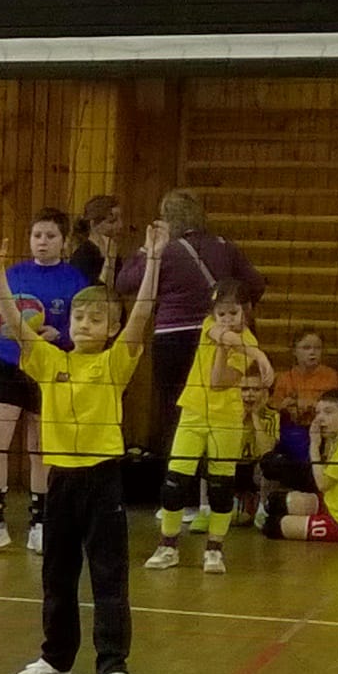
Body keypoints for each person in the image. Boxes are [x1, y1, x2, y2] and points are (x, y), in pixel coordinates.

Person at [0, 250, 161, 674]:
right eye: (79, 317)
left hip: (102, 479)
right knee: (57, 575)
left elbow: (141, 315)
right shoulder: (50, 361)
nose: (85, 324)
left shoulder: (114, 363)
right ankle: (56, 658)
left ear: (112, 329)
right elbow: (15, 323)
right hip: (61, 481)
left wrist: (154, 261)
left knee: (108, 576)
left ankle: (114, 667)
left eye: (96, 319)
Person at [113, 191, 265, 489]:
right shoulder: (224, 246)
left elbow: (124, 283)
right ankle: (212, 489)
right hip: (217, 339)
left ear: (167, 219)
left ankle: (179, 488)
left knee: (176, 413)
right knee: (217, 411)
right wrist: (230, 312)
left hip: (173, 338)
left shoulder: (165, 251)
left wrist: (146, 249)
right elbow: (256, 285)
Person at [0, 210, 82, 555]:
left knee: (41, 447)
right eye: (37, 236)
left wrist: (58, 335)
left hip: (49, 367)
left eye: (50, 236)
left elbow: (82, 323)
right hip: (8, 361)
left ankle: (41, 524)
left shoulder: (75, 280)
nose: (42, 242)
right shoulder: (14, 273)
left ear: (64, 242)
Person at [147, 286, 269, 574]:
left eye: (233, 313)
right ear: (213, 314)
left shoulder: (247, 340)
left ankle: (214, 549)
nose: (226, 319)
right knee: (175, 481)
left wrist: (233, 350)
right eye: (221, 313)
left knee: (220, 485)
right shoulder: (209, 326)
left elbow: (217, 380)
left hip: (226, 418)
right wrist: (259, 356)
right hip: (193, 411)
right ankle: (168, 546)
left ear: (245, 312)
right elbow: (221, 335)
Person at [261, 390, 338, 543]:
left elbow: (322, 484)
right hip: (336, 505)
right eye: (318, 412)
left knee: (272, 526)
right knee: (277, 502)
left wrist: (314, 446)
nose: (320, 418)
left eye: (328, 412)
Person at [269, 331, 338, 460]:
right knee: (295, 438)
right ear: (294, 351)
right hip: (294, 428)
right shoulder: (285, 378)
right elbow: (274, 405)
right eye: (306, 348)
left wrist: (311, 404)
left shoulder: (332, 376)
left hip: (325, 428)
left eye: (317, 348)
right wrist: (286, 405)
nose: (312, 352)